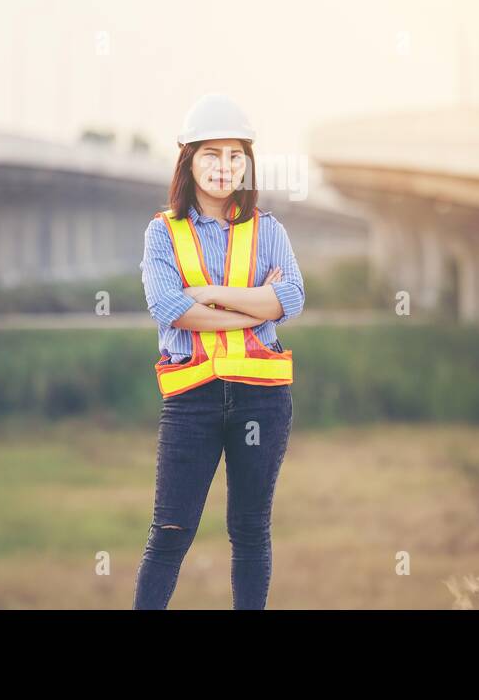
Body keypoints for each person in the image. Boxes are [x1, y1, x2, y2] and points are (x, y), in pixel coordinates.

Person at [133, 93, 305, 609]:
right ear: (188, 160)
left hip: (261, 401)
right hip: (192, 401)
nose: (224, 167)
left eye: (235, 156)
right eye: (212, 154)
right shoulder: (162, 232)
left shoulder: (268, 229)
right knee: (169, 531)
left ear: (247, 163)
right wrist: (257, 309)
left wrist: (212, 294)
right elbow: (169, 307)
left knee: (250, 532)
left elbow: (292, 296)